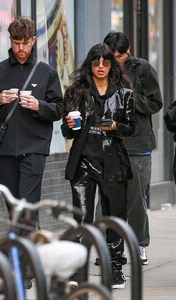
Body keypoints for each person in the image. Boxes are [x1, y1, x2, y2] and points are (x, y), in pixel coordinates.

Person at [0, 17, 63, 222]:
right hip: (4, 149)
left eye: (25, 42)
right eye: (16, 42)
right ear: (10, 40)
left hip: (34, 147)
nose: (20, 47)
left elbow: (59, 109)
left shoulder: (46, 73)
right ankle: (25, 248)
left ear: (33, 40)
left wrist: (39, 106)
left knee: (27, 207)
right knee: (14, 207)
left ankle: (26, 250)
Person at [61, 43, 135, 289]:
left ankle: (115, 268)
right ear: (90, 65)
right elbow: (66, 131)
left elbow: (131, 128)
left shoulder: (124, 93)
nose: (101, 66)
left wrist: (115, 126)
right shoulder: (76, 92)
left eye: (105, 62)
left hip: (113, 163)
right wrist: (71, 126)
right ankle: (77, 268)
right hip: (83, 162)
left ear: (111, 64)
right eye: (96, 62)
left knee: (114, 218)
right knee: (81, 218)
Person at [103, 31, 163, 265]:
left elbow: (156, 102)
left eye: (119, 56)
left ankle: (139, 244)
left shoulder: (143, 69)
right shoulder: (100, 66)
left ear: (128, 51)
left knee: (136, 200)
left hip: (137, 145)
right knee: (107, 198)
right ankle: (108, 245)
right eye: (112, 55)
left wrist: (131, 99)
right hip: (109, 143)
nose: (115, 60)